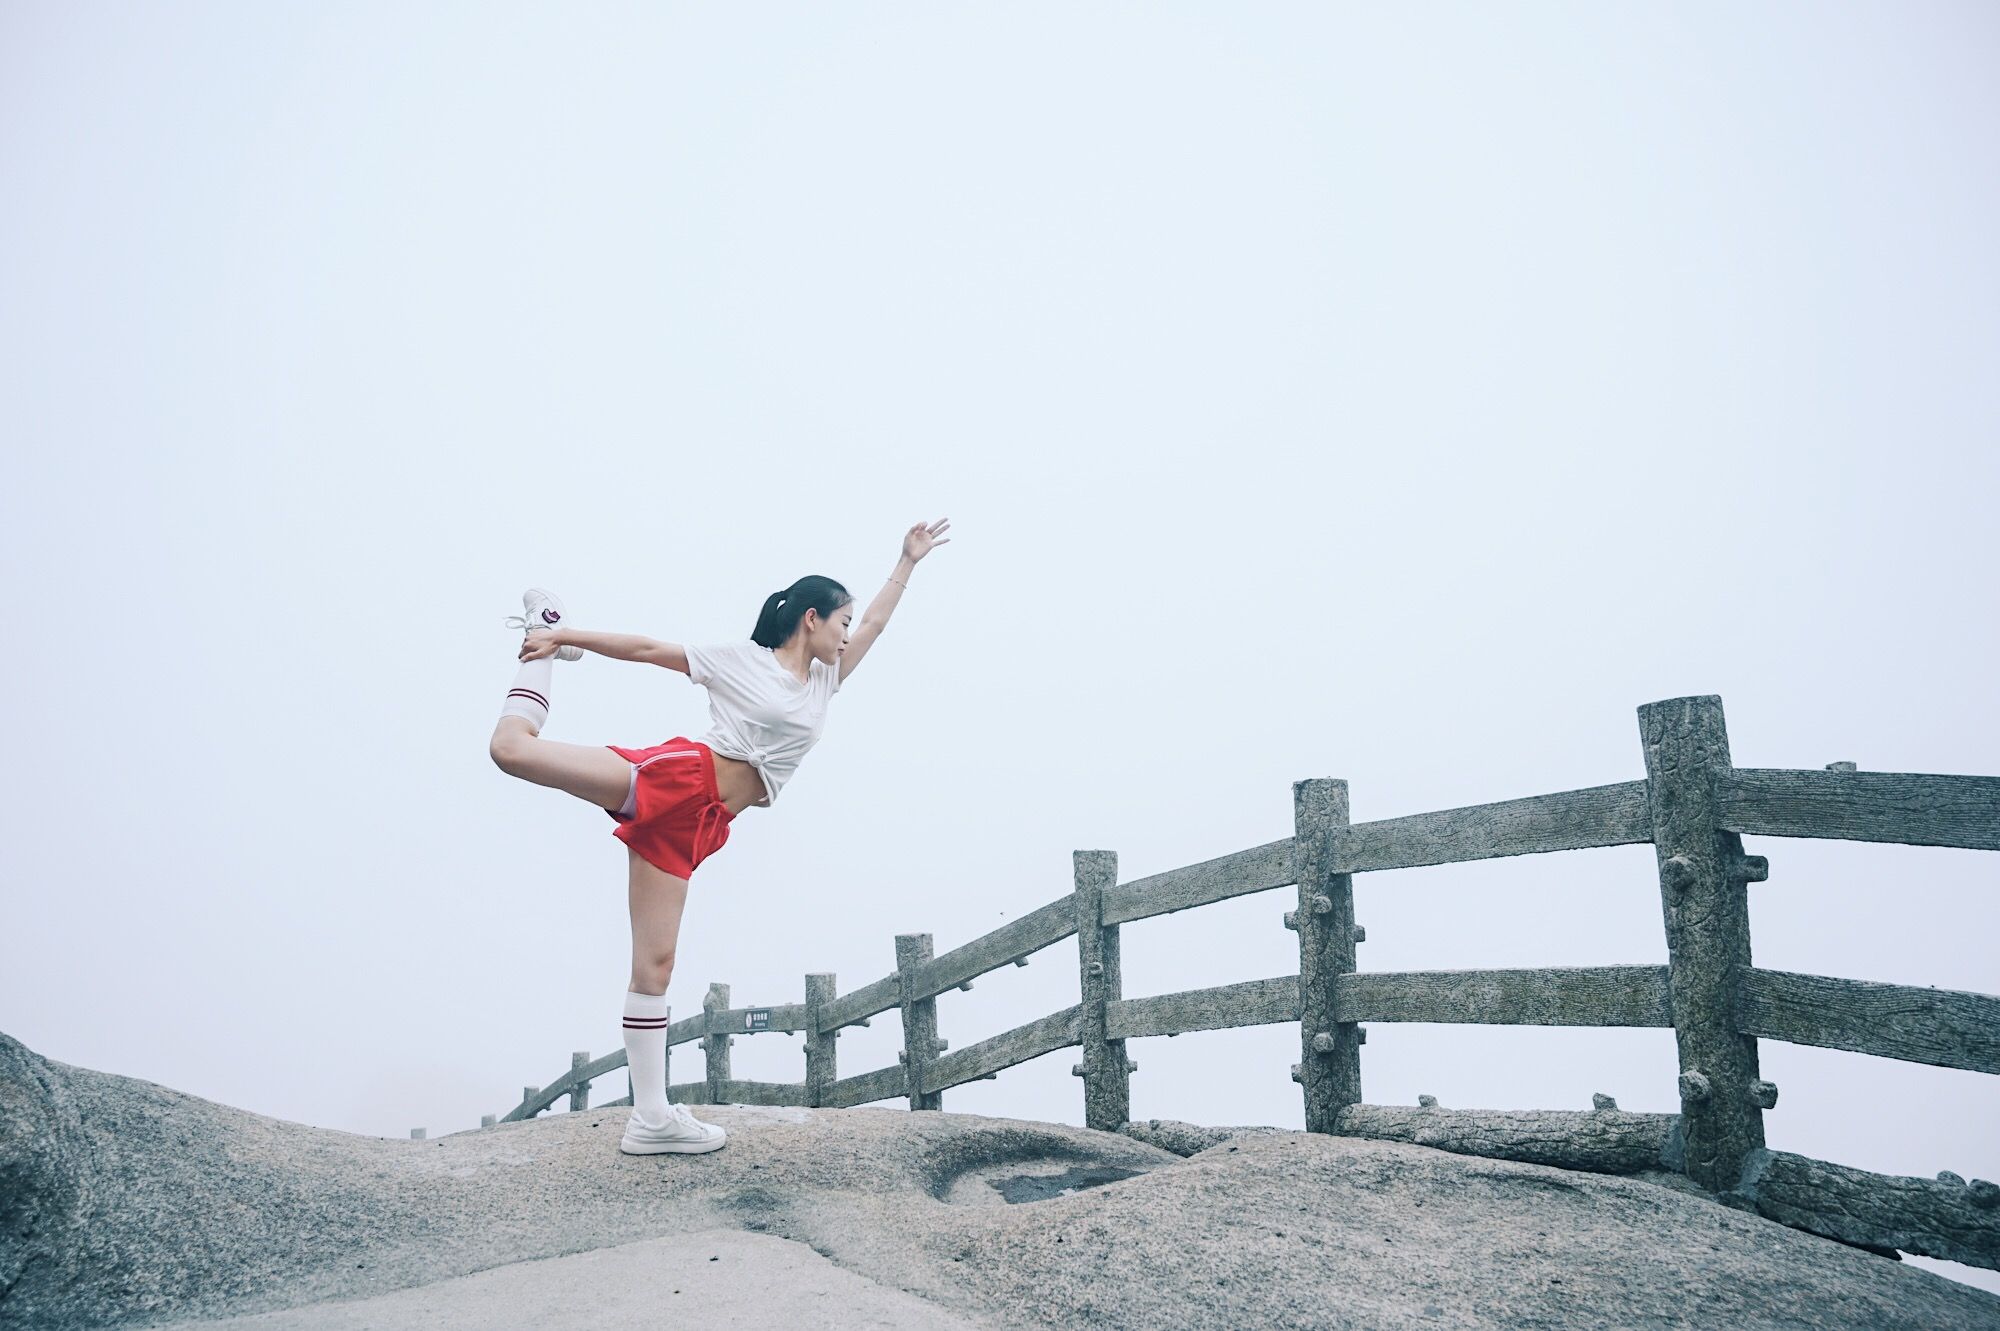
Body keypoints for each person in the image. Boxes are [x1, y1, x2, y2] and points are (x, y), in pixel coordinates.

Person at [487, 519, 951, 1155]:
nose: (847, 636)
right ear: (811, 619)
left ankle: (650, 1119)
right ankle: (544, 633)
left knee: (655, 966)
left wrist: (906, 563)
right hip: (680, 780)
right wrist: (567, 635)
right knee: (511, 750)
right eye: (839, 623)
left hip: (704, 823)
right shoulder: (744, 662)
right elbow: (650, 650)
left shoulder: (824, 681)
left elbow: (874, 624)